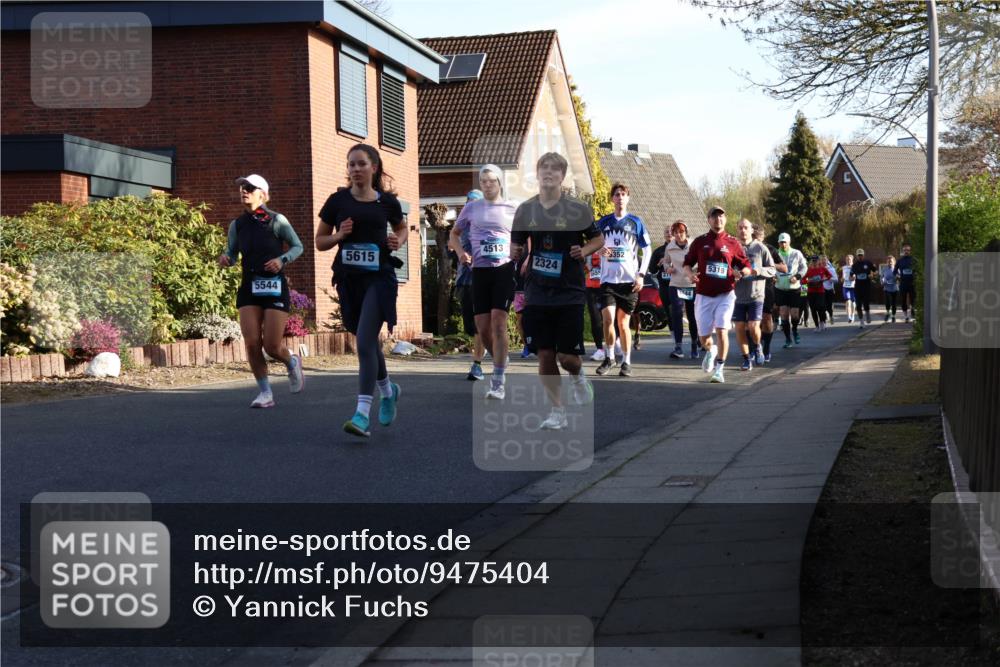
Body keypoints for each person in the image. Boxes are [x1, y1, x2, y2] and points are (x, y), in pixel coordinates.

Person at [316, 144, 405, 438]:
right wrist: (339, 235)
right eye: (351, 164)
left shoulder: (387, 203)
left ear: (374, 167)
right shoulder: (337, 201)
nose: (355, 169)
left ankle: (362, 414)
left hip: (380, 278)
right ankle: (388, 391)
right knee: (365, 340)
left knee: (366, 340)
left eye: (361, 164)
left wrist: (398, 240)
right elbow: (320, 241)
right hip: (349, 279)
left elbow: (402, 228)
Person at [510, 152, 602, 429]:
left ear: (563, 176)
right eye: (543, 169)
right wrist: (516, 253)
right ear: (537, 175)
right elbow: (516, 246)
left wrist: (582, 250)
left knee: (567, 358)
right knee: (545, 354)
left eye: (554, 169)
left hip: (570, 290)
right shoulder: (525, 210)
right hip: (537, 290)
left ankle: (578, 376)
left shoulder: (577, 210)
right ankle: (557, 411)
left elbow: (598, 238)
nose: (548, 173)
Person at [219, 174, 305, 409]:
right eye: (241, 188)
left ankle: (291, 361)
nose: (243, 191)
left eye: (249, 187)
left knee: (272, 346)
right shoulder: (237, 225)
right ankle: (265, 392)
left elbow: (298, 246)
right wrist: (227, 259)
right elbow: (233, 255)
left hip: (274, 287)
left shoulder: (277, 221)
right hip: (249, 287)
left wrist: (281, 259)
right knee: (251, 342)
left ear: (262, 194)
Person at [450, 166, 518, 399]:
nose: (487, 185)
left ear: (499, 183)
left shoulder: (512, 208)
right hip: (479, 271)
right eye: (483, 181)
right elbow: (454, 234)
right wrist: (460, 252)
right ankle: (501, 357)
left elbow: (526, 236)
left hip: (504, 269)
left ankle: (497, 381)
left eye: (491, 181)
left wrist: (521, 252)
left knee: (499, 322)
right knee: (482, 327)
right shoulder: (471, 208)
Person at [683, 206, 751, 384]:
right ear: (709, 220)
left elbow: (747, 266)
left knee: (722, 330)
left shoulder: (732, 242)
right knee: (703, 338)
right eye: (714, 216)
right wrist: (690, 275)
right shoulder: (699, 242)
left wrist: (741, 273)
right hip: (704, 295)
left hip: (725, 295)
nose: (717, 219)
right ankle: (711, 350)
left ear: (725, 220)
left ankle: (719, 369)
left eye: (721, 216)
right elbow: (687, 263)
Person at [595, 183, 651, 378]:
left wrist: (642, 275)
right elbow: (592, 245)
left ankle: (626, 361)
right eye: (617, 194)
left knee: (623, 323)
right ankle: (609, 357)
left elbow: (648, 249)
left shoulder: (636, 222)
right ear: (612, 199)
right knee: (608, 319)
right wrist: (598, 250)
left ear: (628, 198)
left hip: (629, 281)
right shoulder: (603, 223)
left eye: (623, 194)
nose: (620, 197)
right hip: (608, 281)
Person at [452, 190, 487, 381]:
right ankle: (494, 348)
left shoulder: (490, 225)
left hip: (485, 278)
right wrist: (458, 252)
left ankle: (477, 364)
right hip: (464, 280)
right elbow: (452, 240)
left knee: (481, 326)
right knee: (472, 327)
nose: (471, 206)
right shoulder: (461, 225)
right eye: (469, 202)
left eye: (475, 203)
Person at [733, 218, 776, 370]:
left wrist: (758, 271)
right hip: (738, 296)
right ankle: (746, 358)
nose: (743, 230)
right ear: (737, 230)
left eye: (746, 227)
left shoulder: (760, 248)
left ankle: (757, 347)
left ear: (751, 230)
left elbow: (772, 269)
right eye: (740, 228)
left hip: (756, 295)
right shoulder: (733, 248)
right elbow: (725, 267)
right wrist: (732, 273)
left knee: (752, 326)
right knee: (739, 327)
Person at [663, 220, 699, 359]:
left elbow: (701, 260)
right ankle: (678, 347)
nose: (678, 235)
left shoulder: (694, 245)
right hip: (675, 283)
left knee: (692, 315)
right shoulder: (670, 246)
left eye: (681, 232)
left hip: (691, 284)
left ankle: (694, 345)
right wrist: (668, 268)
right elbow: (666, 261)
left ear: (686, 232)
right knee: (676, 313)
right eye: (676, 232)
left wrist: (697, 272)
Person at [773, 232, 807, 349]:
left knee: (795, 314)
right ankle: (788, 339)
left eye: (785, 242)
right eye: (781, 242)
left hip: (794, 288)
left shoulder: (796, 253)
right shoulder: (774, 254)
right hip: (780, 288)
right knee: (783, 314)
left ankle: (795, 330)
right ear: (778, 243)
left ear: (789, 242)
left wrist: (797, 277)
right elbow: (768, 267)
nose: (783, 244)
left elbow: (804, 267)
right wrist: (772, 276)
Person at [754, 225, 782, 364]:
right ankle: (755, 347)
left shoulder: (770, 249)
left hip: (767, 287)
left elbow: (784, 267)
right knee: (752, 321)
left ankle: (766, 348)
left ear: (763, 237)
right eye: (755, 237)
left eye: (759, 237)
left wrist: (769, 264)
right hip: (750, 287)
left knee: (766, 318)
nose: (757, 240)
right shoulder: (745, 248)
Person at [803, 255, 834, 331]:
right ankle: (816, 326)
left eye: (815, 260)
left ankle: (822, 322)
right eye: (813, 260)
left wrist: (824, 279)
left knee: (820, 307)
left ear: (818, 261)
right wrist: (808, 281)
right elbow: (803, 280)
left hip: (820, 291)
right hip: (811, 292)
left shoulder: (822, 269)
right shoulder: (809, 270)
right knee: (813, 309)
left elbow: (830, 276)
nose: (814, 262)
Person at [584, 250, 606, 361]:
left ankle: (616, 342)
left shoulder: (608, 246)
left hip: (606, 287)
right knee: (595, 318)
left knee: (609, 318)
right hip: (590, 287)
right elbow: (583, 266)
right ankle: (600, 349)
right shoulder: (588, 249)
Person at [850, 248, 877, 327]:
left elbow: (875, 271)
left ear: (863, 255)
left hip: (866, 286)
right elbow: (850, 276)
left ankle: (867, 315)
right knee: (858, 305)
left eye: (861, 255)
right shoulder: (854, 265)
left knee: (866, 303)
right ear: (856, 256)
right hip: (858, 287)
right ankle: (861, 321)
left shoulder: (868, 263)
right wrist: (852, 278)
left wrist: (872, 275)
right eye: (858, 255)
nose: (860, 257)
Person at [895, 243, 917, 323]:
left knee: (913, 299)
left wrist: (916, 275)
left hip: (912, 283)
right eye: (905, 250)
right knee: (903, 300)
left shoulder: (914, 260)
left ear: (910, 251)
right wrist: (897, 275)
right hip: (903, 283)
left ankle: (913, 313)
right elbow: (895, 271)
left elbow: (918, 269)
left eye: (908, 250)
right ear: (903, 251)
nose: (906, 251)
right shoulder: (900, 261)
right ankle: (906, 316)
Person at [881, 255, 899, 322]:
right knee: (887, 302)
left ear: (894, 262)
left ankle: (893, 316)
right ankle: (888, 313)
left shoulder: (896, 269)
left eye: (891, 261)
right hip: (886, 288)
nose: (890, 262)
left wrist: (898, 278)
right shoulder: (884, 269)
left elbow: (899, 277)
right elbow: (881, 277)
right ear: (887, 262)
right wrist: (882, 281)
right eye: (888, 261)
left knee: (894, 303)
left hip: (894, 288)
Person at [840, 253, 857, 323]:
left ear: (852, 260)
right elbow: (842, 278)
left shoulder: (855, 267)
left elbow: (856, 277)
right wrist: (842, 279)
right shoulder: (844, 268)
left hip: (853, 287)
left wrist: (853, 278)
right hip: (845, 287)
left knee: (853, 303)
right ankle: (849, 317)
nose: (848, 261)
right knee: (848, 302)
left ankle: (853, 315)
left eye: (849, 260)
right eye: (847, 260)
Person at [822, 254, 837, 325]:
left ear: (827, 261)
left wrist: (828, 278)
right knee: (822, 305)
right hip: (821, 290)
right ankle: (823, 321)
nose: (823, 262)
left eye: (825, 260)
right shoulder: (819, 269)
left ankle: (831, 315)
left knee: (829, 306)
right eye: (822, 260)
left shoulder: (831, 269)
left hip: (829, 289)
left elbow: (836, 280)